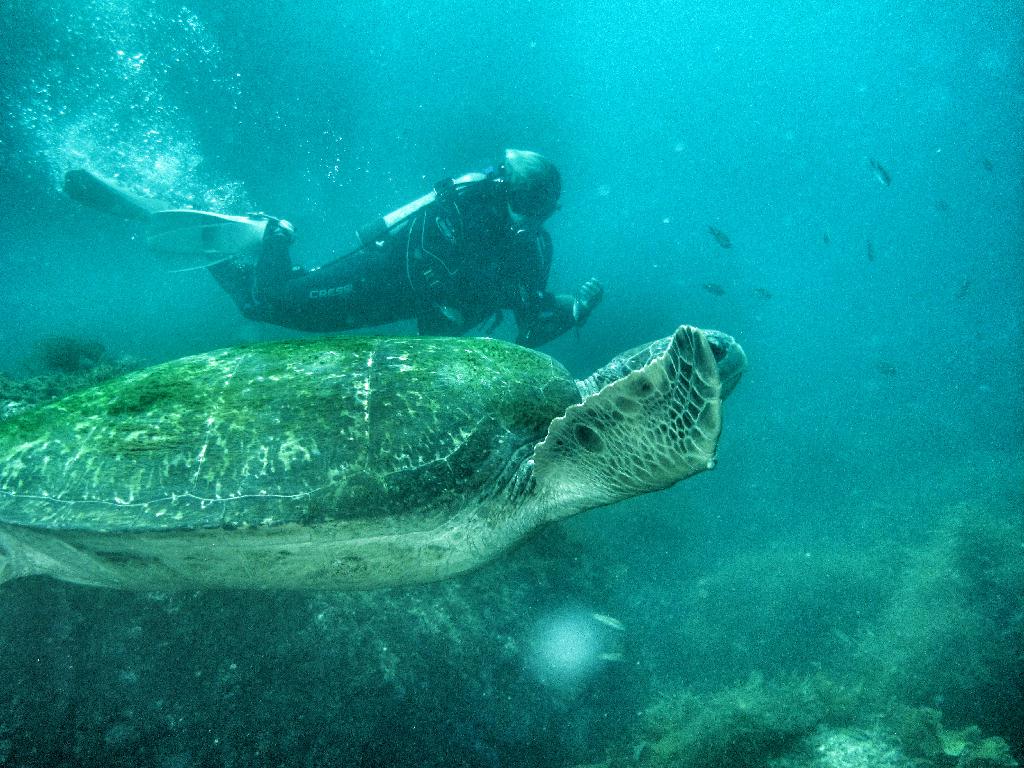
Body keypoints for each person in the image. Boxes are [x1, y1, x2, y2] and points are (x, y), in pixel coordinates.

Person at [67, 149, 603, 348]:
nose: (529, 220)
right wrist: (449, 303)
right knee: (270, 303)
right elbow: (426, 267)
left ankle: (227, 244)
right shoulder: (466, 209)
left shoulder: (531, 249)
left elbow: (529, 321)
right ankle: (270, 233)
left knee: (268, 301)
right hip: (379, 279)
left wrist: (569, 310)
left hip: (387, 303)